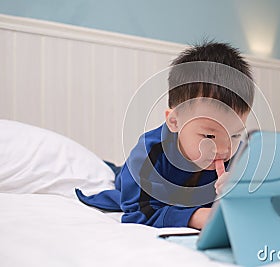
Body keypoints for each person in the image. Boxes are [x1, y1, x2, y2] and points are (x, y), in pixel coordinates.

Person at [76, 41, 254, 229]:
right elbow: (140, 212)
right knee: (120, 175)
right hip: (135, 176)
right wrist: (199, 216)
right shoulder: (149, 153)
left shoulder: (239, 157)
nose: (225, 149)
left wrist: (238, 192)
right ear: (175, 122)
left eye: (235, 135)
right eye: (209, 136)